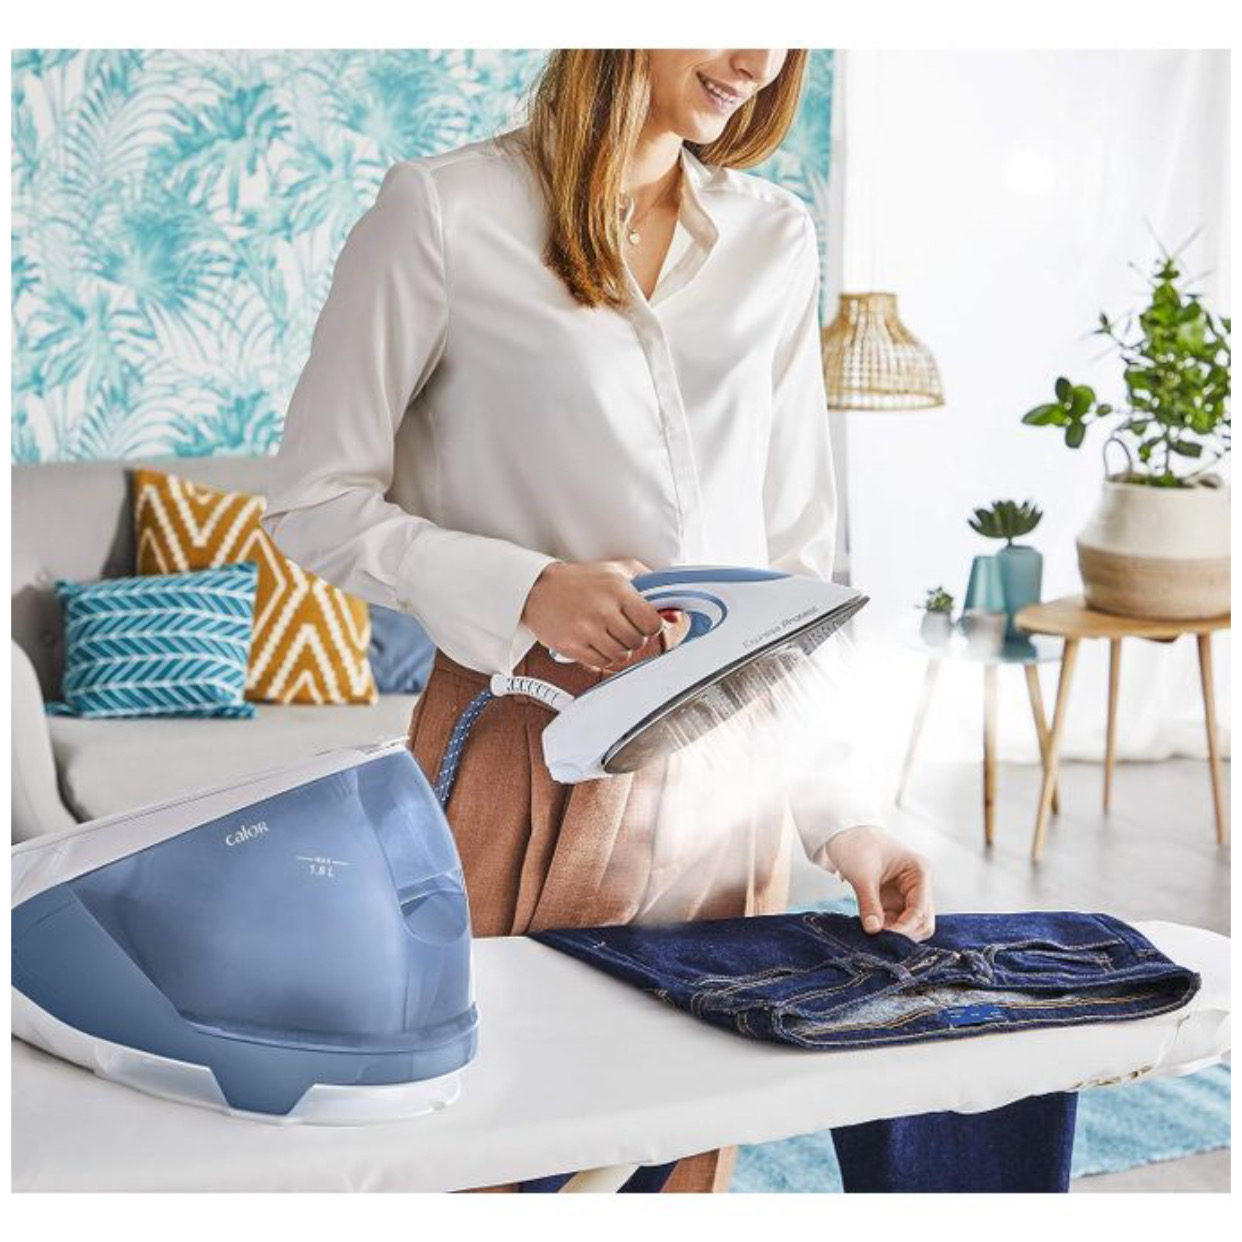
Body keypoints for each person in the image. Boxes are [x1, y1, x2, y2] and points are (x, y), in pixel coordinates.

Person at [261, 48, 935, 1193]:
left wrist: (844, 818)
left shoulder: (774, 237)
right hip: (518, 753)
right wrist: (526, 589)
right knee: (488, 1149)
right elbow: (313, 503)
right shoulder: (442, 213)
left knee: (676, 1162)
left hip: (728, 779)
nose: (756, 59)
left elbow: (792, 568)